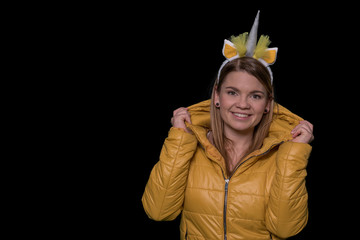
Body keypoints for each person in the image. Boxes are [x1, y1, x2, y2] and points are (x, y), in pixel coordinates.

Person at [142, 11, 314, 240]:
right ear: (217, 95)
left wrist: (294, 153)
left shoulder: (282, 154)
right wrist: (180, 140)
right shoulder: (188, 146)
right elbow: (159, 211)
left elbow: (285, 229)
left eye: (255, 96)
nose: (242, 104)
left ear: (267, 104)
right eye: (232, 92)